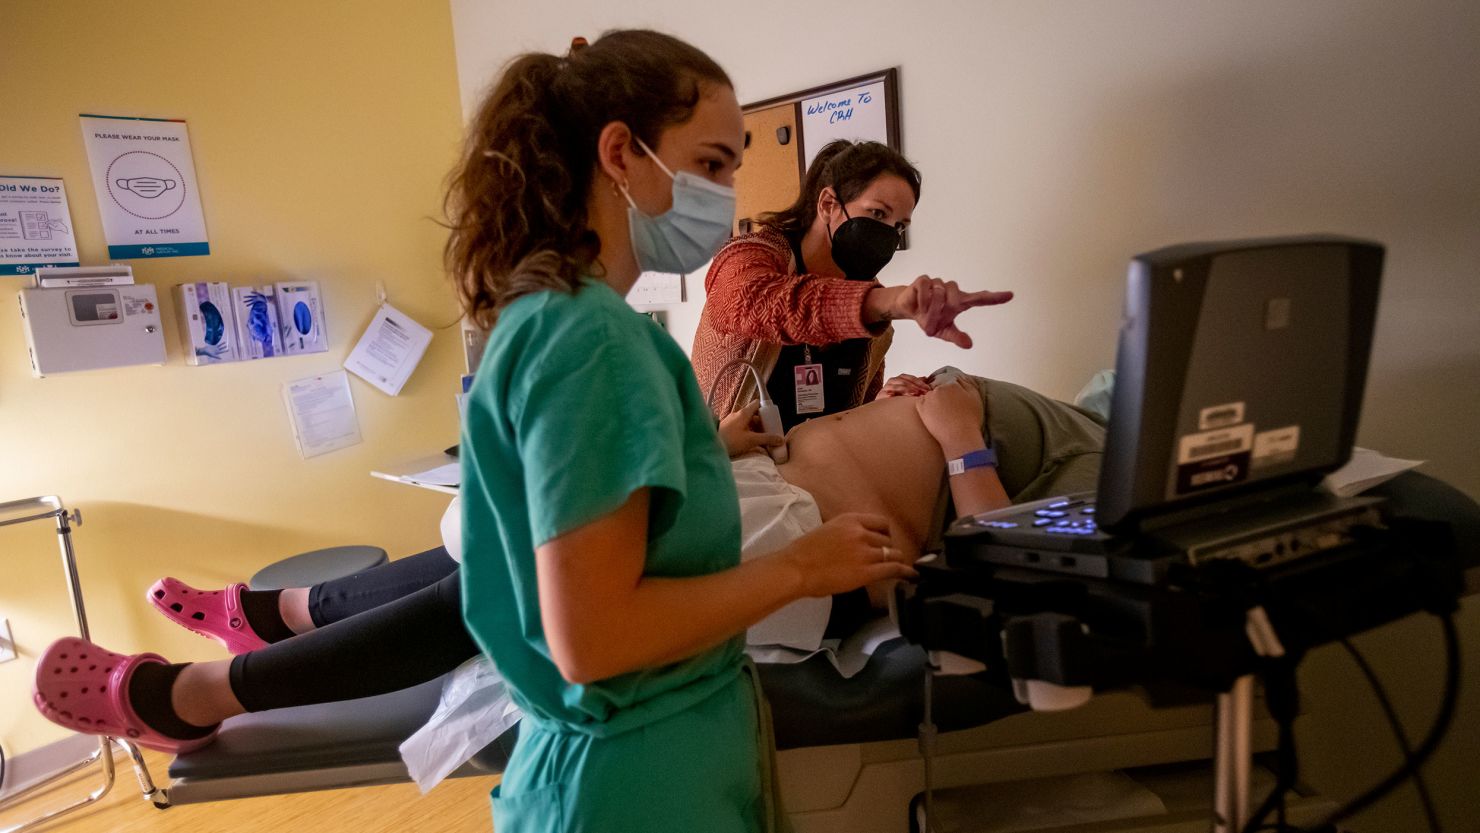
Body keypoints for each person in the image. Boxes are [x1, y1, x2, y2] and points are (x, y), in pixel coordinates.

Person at [31, 369, 1103, 755]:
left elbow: (1019, 561)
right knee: (502, 540)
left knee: (512, 584)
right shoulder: (1101, 412)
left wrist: (962, 435)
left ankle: (201, 687)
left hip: (796, 548)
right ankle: (270, 623)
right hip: (765, 488)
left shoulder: (1118, 476)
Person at [692, 139, 1016, 430]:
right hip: (732, 475)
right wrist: (887, 302)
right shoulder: (753, 256)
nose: (887, 234)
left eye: (899, 226)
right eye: (877, 214)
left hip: (814, 476)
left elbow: (848, 421)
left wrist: (883, 404)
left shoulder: (876, 321)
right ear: (828, 205)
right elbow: (750, 304)